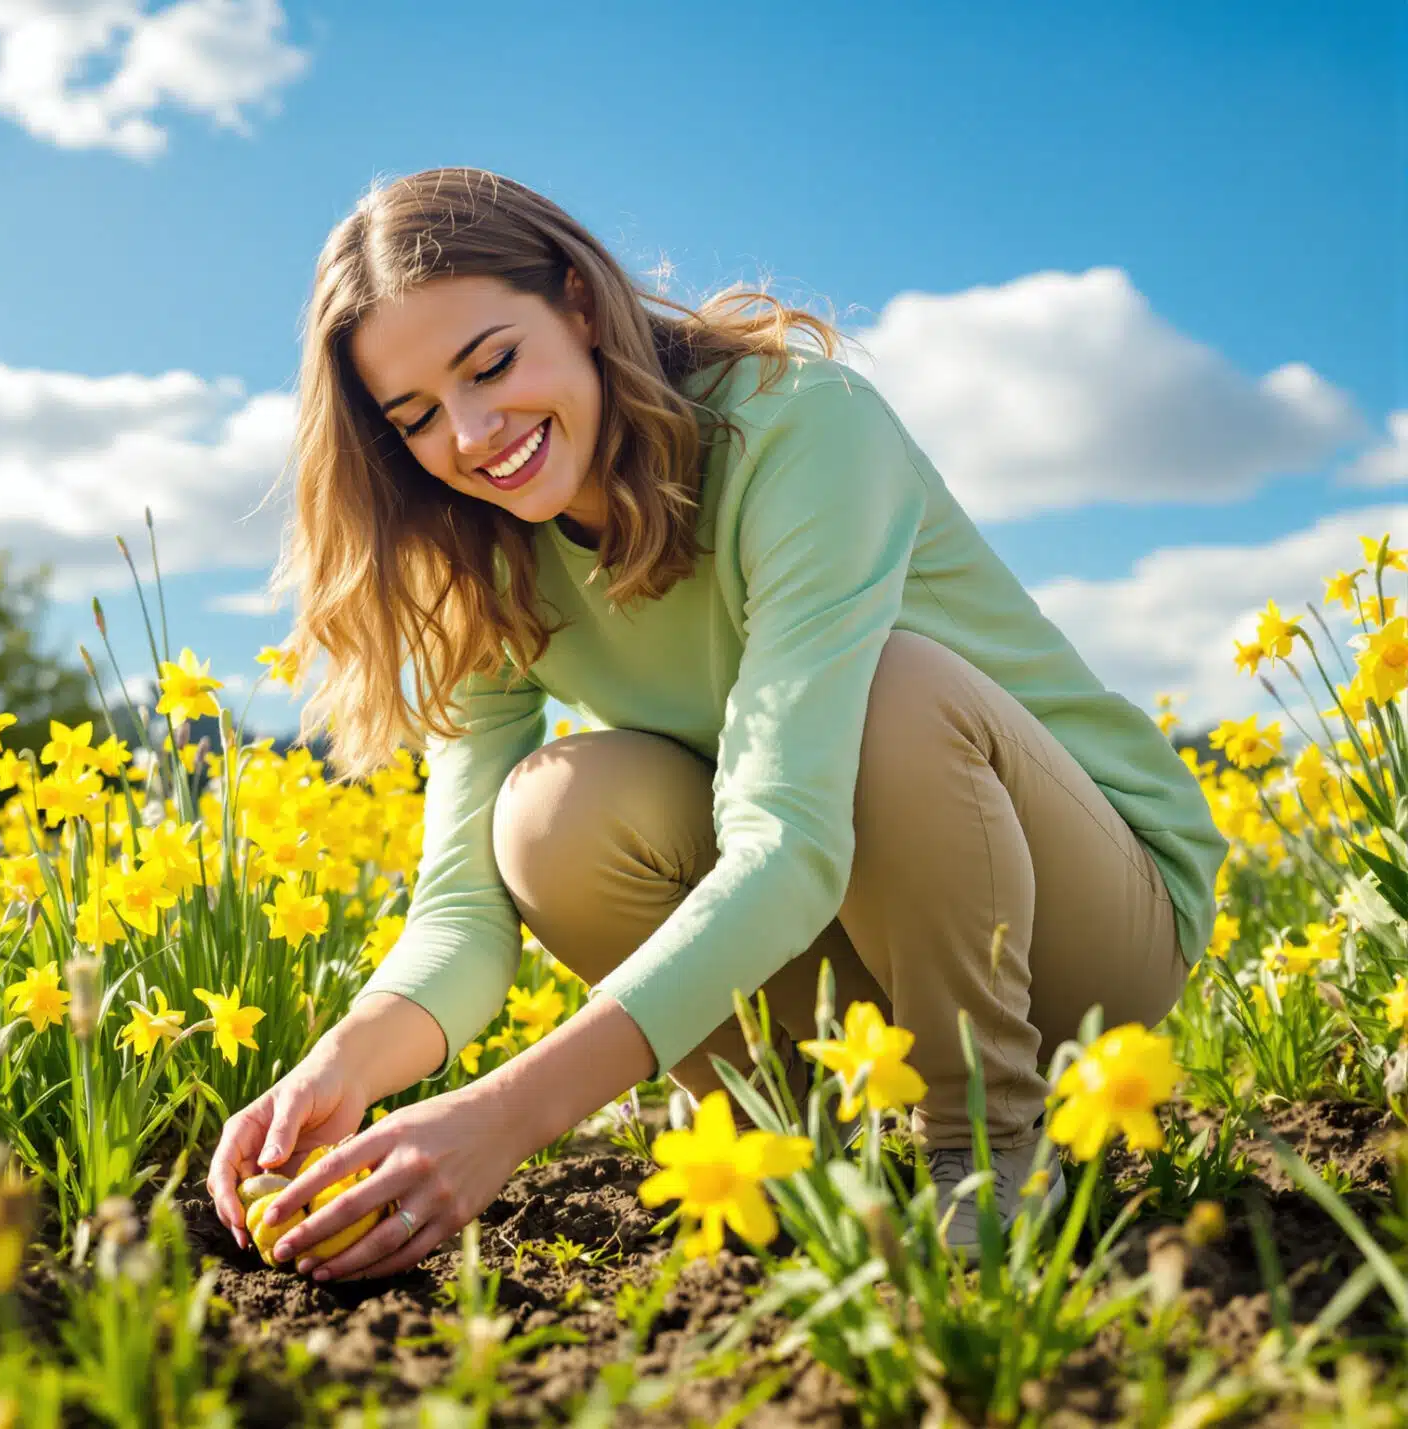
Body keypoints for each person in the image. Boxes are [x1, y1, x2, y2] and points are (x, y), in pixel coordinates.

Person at [207, 167, 1227, 1278]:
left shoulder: (802, 429)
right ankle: (775, 1141)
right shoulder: (483, 554)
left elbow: (788, 834)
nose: (471, 433)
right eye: (415, 418)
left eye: (491, 363)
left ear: (580, 304)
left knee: (891, 692)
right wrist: (344, 1064)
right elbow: (462, 908)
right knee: (549, 813)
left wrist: (505, 1116)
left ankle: (988, 1143)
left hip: (1083, 935)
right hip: (848, 935)